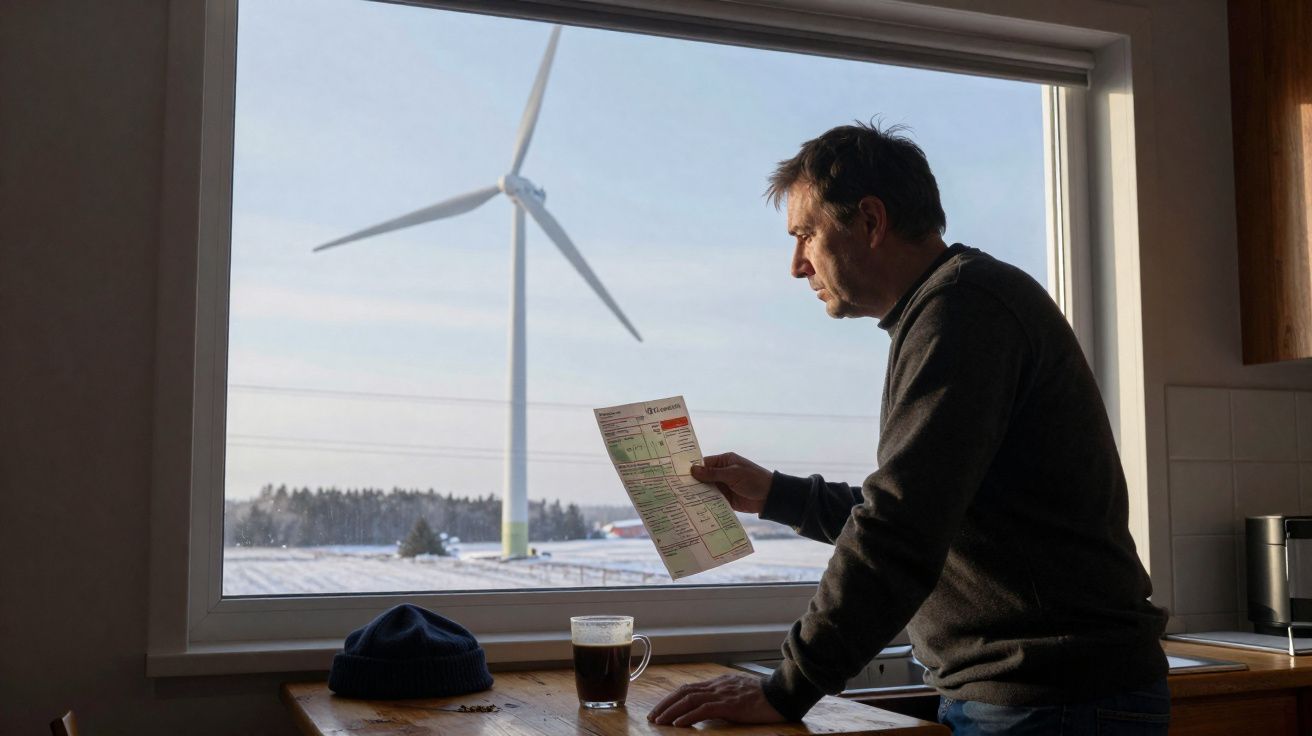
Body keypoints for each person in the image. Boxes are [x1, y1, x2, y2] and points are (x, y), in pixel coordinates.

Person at [647, 122, 1170, 735]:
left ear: (870, 221)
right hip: (1035, 696)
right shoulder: (947, 308)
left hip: (1056, 701)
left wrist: (789, 687)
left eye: (805, 235)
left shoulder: (964, 310)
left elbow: (901, 528)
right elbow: (929, 514)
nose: (795, 266)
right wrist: (777, 495)